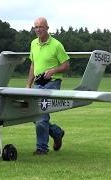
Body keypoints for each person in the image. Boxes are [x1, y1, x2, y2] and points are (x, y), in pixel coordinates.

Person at [26, 17, 70, 155]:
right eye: (36, 27)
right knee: (33, 114)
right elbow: (33, 65)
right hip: (38, 84)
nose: (38, 30)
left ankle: (41, 149)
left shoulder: (56, 45)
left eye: (41, 27)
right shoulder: (33, 43)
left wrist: (54, 70)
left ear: (47, 28)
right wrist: (28, 84)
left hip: (52, 83)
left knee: (41, 115)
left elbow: (66, 65)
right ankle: (57, 132)